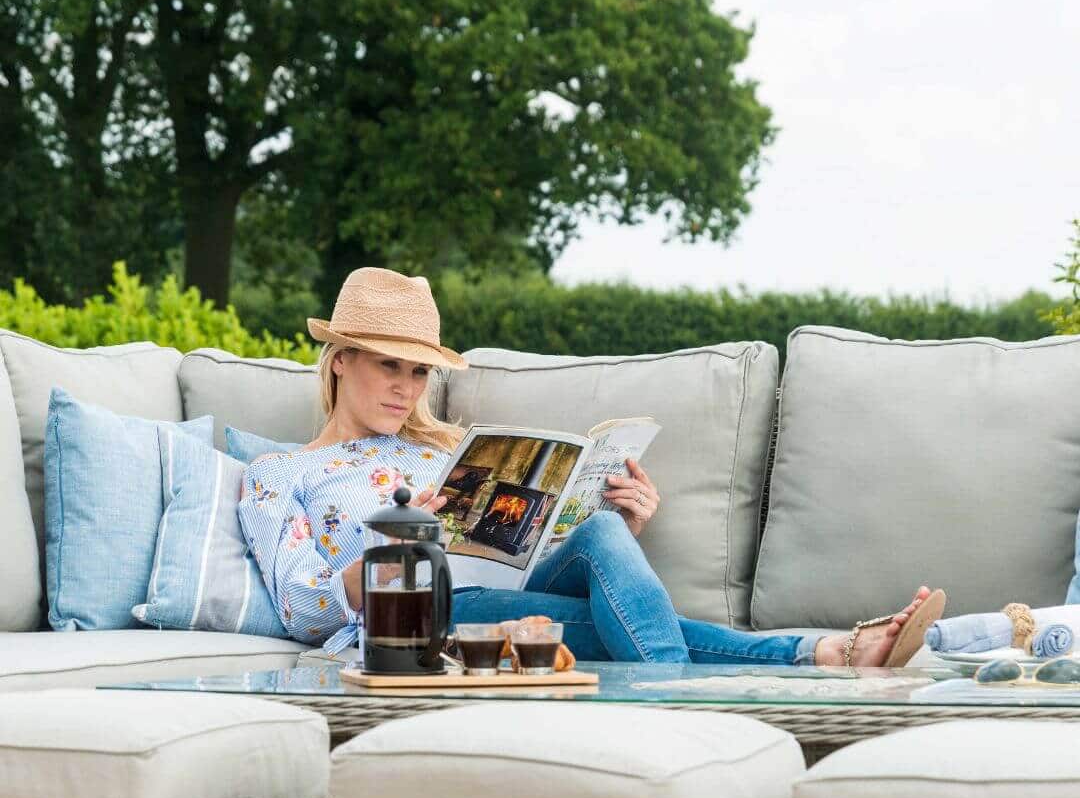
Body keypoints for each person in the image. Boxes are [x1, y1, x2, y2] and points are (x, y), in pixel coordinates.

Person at [238, 267, 943, 666]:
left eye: (419, 372)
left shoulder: (442, 446)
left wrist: (613, 513)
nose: (405, 387)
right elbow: (301, 609)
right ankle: (829, 653)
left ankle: (791, 664)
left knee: (604, 537)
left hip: (507, 585)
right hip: (423, 614)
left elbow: (528, 542)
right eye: (389, 366)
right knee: (594, 621)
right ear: (339, 362)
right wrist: (401, 547)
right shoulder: (281, 473)